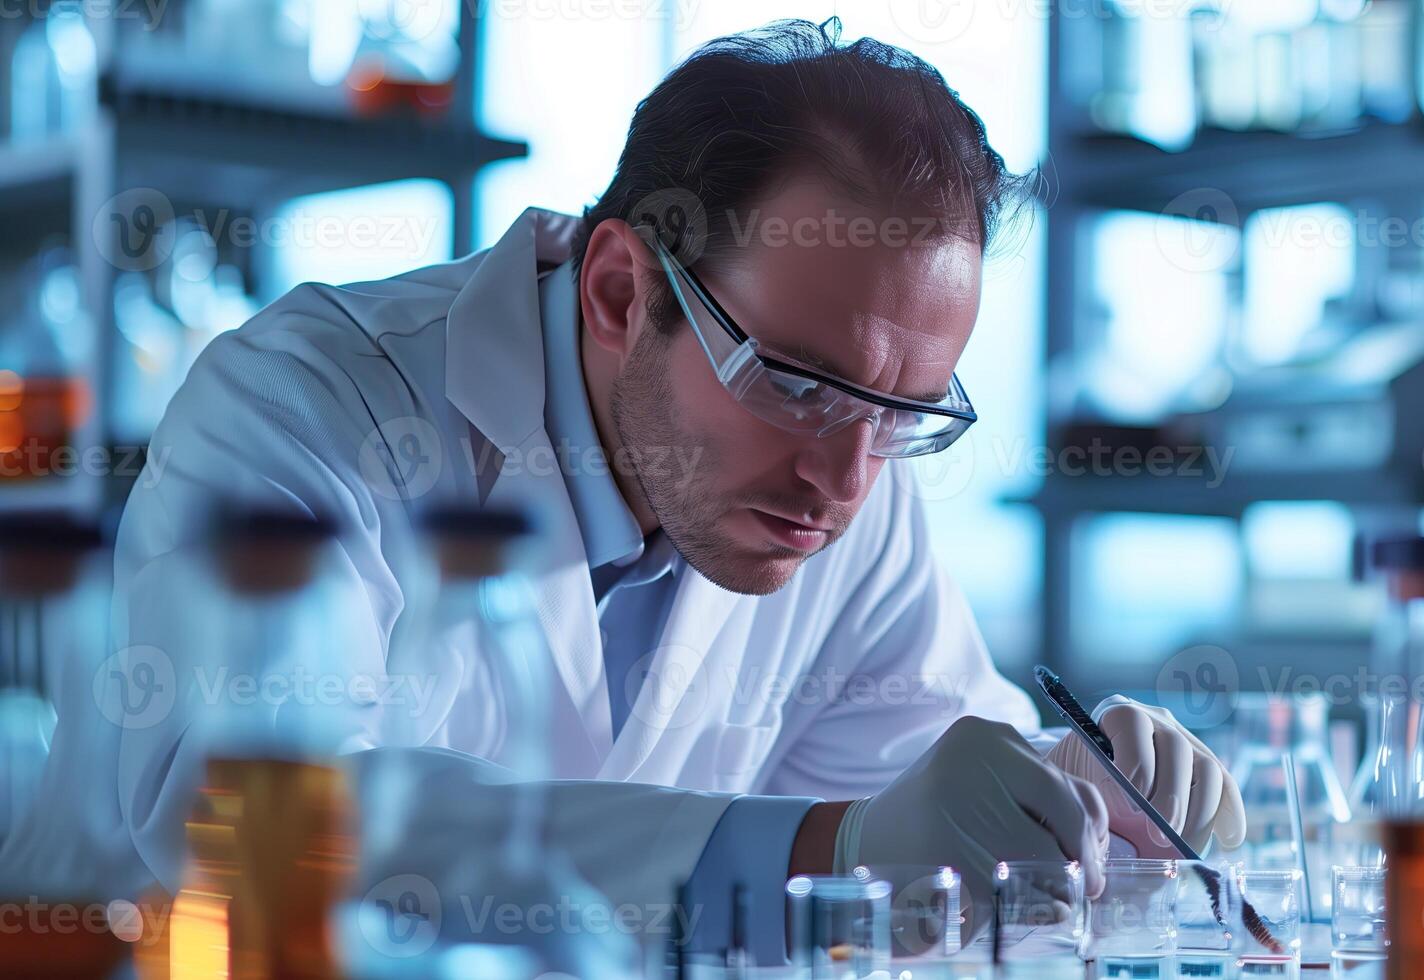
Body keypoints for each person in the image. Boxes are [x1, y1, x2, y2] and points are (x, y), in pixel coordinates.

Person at [96, 19, 1244, 961]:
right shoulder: (306, 405)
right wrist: (828, 852)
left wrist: (1082, 794)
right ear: (616, 292)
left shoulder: (853, 481)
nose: (845, 481)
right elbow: (246, 823)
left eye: (906, 415)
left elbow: (931, 766)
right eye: (797, 383)